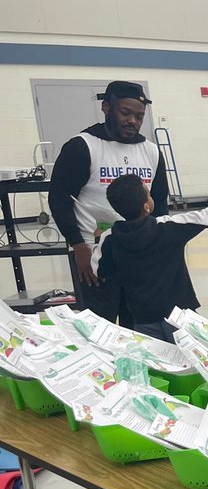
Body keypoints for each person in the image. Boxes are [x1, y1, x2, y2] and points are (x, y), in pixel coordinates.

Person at [48, 81, 168, 321]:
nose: (133, 120)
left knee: (138, 326)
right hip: (93, 255)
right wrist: (78, 246)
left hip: (138, 253)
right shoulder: (82, 146)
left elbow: (160, 204)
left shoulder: (151, 151)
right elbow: (59, 198)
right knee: (98, 325)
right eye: (126, 112)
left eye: (139, 116)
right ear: (106, 108)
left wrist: (157, 250)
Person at [100, 174, 208, 339]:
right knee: (193, 357)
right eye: (148, 193)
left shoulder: (110, 238)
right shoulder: (167, 228)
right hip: (180, 316)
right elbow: (206, 216)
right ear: (146, 206)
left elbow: (101, 270)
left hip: (142, 319)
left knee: (158, 361)